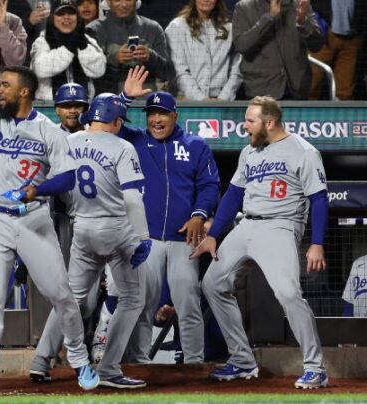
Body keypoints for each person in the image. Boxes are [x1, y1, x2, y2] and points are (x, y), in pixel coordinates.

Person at [0, 23, 99, 396]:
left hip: (33, 219)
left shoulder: (48, 131)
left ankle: (79, 359)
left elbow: (69, 178)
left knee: (61, 295)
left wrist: (36, 189)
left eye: (5, 85)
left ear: (23, 92)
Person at [191, 96, 329, 388]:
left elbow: (318, 199)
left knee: (288, 293)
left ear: (270, 122)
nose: (245, 127)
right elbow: (233, 195)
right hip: (246, 224)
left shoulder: (303, 152)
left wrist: (317, 242)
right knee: (212, 284)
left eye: (250, 121)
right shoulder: (248, 153)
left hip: (280, 225)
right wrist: (214, 234)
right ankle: (242, 360)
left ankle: (315, 366)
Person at [30, 73, 153, 389]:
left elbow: (46, 182)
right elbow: (132, 198)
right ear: (114, 121)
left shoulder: (66, 142)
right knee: (132, 298)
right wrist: (142, 237)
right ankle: (109, 368)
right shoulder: (122, 145)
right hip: (114, 228)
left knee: (68, 298)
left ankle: (41, 360)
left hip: (79, 227)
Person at [116, 90, 220, 364]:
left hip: (183, 239)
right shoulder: (133, 140)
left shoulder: (195, 145)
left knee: (188, 303)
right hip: (145, 238)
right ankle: (139, 363)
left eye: (163, 113)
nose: (157, 119)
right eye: (152, 113)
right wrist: (125, 97)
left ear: (175, 115)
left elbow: (209, 185)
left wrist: (199, 214)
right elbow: (110, 122)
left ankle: (195, 361)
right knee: (142, 303)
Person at [232, 0, 324, 100]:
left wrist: (303, 22)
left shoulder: (299, 4)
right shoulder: (244, 7)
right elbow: (241, 45)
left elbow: (317, 45)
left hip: (297, 90)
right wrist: (269, 17)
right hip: (261, 92)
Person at [86, 0, 169, 94]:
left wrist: (150, 57)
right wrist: (114, 59)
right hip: (108, 101)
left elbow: (165, 73)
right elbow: (88, 73)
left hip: (144, 102)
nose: (123, 4)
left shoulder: (153, 29)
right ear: (108, 2)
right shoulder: (94, 30)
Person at [165, 0, 242, 100]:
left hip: (221, 101)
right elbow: (180, 71)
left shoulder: (229, 28)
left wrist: (223, 98)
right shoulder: (177, 27)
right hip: (188, 101)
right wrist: (202, 100)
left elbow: (237, 69)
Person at [30, 0, 106, 101]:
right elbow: (40, 69)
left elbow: (99, 70)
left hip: (83, 104)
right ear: (52, 18)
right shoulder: (42, 41)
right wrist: (68, 49)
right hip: (50, 106)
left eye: (71, 13)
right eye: (61, 14)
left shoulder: (87, 40)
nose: (66, 17)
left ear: (77, 17)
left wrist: (83, 46)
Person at [309, 0, 365, 100]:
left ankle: (342, 115)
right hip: (324, 33)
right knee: (312, 86)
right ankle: (306, 114)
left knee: (345, 93)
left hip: (353, 36)